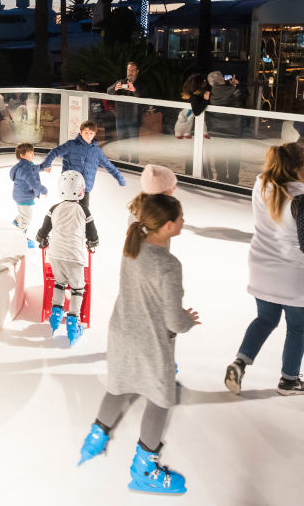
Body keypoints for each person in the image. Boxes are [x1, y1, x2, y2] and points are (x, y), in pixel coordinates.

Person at [77, 194, 198, 496]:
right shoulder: (169, 264)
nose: (183, 221)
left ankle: (95, 437)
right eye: (180, 218)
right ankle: (145, 470)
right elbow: (172, 320)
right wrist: (187, 320)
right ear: (168, 227)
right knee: (159, 401)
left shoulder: (132, 248)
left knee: (118, 387)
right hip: (151, 342)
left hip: (122, 332)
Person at [224, 143, 304, 398]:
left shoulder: (262, 183)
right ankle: (289, 380)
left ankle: (239, 363)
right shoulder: (302, 200)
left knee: (266, 319)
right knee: (297, 327)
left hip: (261, 264)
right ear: (297, 167)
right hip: (292, 272)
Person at [39, 120, 126, 247]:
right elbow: (55, 152)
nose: (88, 135)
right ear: (80, 132)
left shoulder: (96, 152)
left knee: (84, 212)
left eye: (91, 133)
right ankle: (62, 229)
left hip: (85, 188)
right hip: (69, 186)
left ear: (94, 134)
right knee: (66, 209)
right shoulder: (72, 145)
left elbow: (108, 165)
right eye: (86, 132)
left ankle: (84, 234)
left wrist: (119, 177)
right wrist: (46, 164)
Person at [35, 170, 91, 346]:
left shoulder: (54, 209)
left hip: (56, 256)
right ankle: (73, 323)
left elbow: (43, 231)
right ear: (81, 191)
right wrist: (93, 243)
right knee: (77, 288)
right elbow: (92, 233)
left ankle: (55, 315)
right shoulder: (83, 210)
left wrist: (42, 239)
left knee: (60, 283)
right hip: (74, 257)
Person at [207, 72, 248, 185]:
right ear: (222, 80)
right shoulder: (233, 90)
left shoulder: (210, 93)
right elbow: (245, 95)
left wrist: (230, 85)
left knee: (219, 156)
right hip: (234, 130)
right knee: (234, 156)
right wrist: (237, 84)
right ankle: (233, 180)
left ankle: (221, 179)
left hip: (216, 129)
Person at [9, 142, 47, 243]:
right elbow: (34, 183)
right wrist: (43, 190)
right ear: (22, 155)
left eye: (32, 152)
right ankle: (21, 239)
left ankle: (17, 221)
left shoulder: (24, 165)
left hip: (20, 195)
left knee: (23, 213)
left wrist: (44, 168)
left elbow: (34, 168)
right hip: (24, 196)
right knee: (27, 218)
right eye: (29, 153)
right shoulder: (26, 169)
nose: (32, 154)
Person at [174, 73, 209, 140]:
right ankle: (179, 132)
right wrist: (205, 100)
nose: (205, 81)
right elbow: (196, 111)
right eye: (203, 80)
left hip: (189, 116)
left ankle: (185, 132)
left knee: (188, 121)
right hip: (186, 115)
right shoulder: (194, 97)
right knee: (183, 120)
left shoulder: (191, 93)